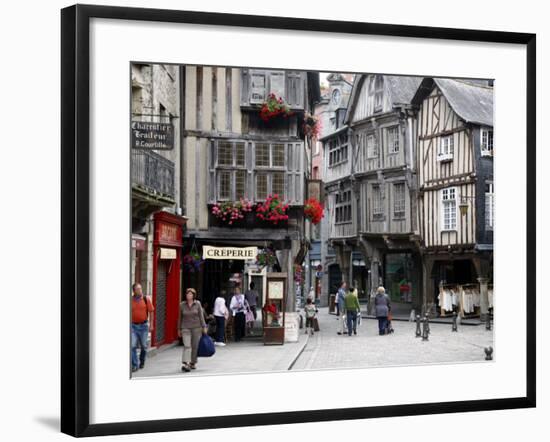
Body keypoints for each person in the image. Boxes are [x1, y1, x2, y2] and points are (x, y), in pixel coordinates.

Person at [177, 288, 207, 372]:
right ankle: (186, 363)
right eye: (187, 294)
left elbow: (201, 316)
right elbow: (180, 318)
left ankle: (193, 363)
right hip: (185, 328)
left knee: (194, 346)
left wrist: (204, 326)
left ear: (193, 296)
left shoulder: (197, 304)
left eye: (190, 294)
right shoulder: (182, 305)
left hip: (196, 328)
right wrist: (179, 329)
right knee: (187, 345)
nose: (189, 296)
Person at [131, 283, 154, 372]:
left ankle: (142, 361)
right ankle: (135, 365)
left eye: (140, 288)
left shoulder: (146, 299)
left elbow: (151, 312)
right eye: (138, 289)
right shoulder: (130, 300)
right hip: (133, 326)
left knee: (144, 346)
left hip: (144, 326)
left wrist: (151, 325)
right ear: (134, 291)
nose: (140, 290)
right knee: (132, 346)